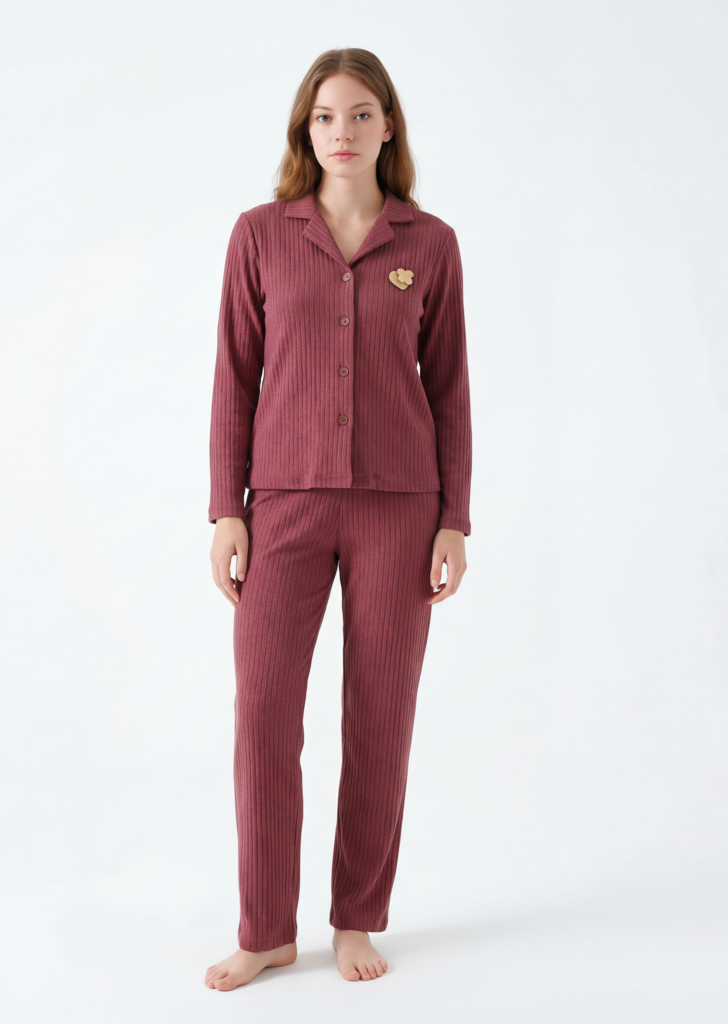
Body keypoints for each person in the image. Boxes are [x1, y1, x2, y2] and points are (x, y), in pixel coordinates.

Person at [204, 47, 472, 991]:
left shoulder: (430, 243)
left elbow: (450, 387)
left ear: (388, 126)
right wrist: (225, 509)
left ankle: (357, 917)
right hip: (283, 504)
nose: (343, 132)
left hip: (403, 509)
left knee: (380, 717)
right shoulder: (259, 235)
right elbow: (235, 376)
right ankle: (266, 928)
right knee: (263, 714)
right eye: (326, 117)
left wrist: (455, 519)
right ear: (304, 130)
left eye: (361, 114)